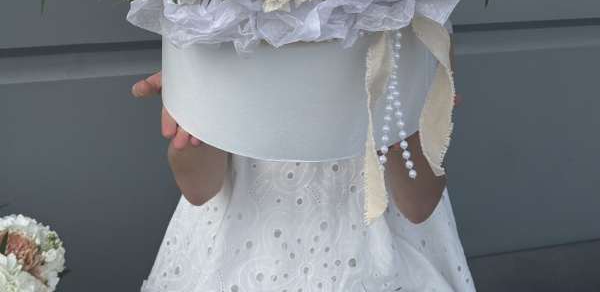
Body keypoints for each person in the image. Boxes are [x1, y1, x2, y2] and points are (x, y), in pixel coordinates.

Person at [134, 48, 476, 292]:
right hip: (239, 255)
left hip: (381, 258)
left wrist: (404, 115)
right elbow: (198, 189)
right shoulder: (216, 20)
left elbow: (419, 203)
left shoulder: (412, 25)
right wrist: (197, 119)